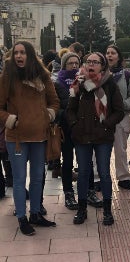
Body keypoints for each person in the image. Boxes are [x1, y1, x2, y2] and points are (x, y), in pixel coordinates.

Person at [0, 41, 60, 235]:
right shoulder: (7, 76)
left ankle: (35, 213)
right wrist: (10, 120)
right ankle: (22, 218)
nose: (19, 56)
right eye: (16, 52)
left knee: (37, 177)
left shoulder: (43, 75)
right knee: (19, 179)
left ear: (31, 55)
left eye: (23, 52)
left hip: (39, 135)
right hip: (16, 136)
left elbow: (54, 101)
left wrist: (47, 116)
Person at [66, 52, 124, 226]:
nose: (91, 64)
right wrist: (75, 125)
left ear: (103, 66)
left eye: (95, 62)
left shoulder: (110, 84)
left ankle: (107, 210)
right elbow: (70, 109)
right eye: (88, 61)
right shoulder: (79, 84)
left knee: (104, 173)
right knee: (83, 172)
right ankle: (82, 209)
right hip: (82, 135)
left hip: (102, 136)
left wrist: (107, 124)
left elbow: (119, 110)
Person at [105, 45, 130, 190]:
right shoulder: (98, 74)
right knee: (100, 151)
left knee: (121, 150)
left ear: (119, 57)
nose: (109, 55)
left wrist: (123, 104)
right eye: (107, 53)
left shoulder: (127, 76)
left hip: (121, 117)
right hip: (102, 117)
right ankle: (98, 177)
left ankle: (124, 177)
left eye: (113, 53)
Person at [56, 52, 81, 210]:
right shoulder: (57, 83)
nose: (74, 66)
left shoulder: (86, 81)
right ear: (64, 65)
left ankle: (87, 190)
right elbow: (55, 108)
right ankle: (68, 193)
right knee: (67, 161)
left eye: (76, 63)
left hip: (82, 128)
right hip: (66, 128)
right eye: (70, 63)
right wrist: (68, 114)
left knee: (85, 161)